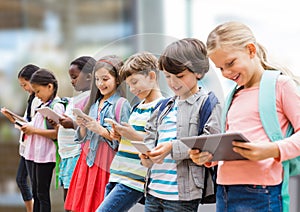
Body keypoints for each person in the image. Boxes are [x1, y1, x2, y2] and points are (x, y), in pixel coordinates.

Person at [189, 21, 300, 212]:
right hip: (224, 189)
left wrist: (272, 150)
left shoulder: (281, 85)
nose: (226, 73)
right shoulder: (234, 95)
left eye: (230, 63)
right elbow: (232, 144)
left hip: (262, 191)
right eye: (221, 68)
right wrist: (209, 157)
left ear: (250, 50)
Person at [139, 38, 222, 212]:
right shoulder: (163, 106)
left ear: (198, 72)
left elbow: (210, 142)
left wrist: (172, 147)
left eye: (179, 76)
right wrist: (147, 156)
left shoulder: (209, 104)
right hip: (153, 191)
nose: (172, 82)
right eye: (168, 76)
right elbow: (150, 137)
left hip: (182, 196)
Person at [96, 52, 164, 212]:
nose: (132, 89)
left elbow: (158, 145)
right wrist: (119, 136)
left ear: (152, 76)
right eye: (129, 85)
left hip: (133, 179)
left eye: (135, 82)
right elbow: (132, 141)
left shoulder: (161, 107)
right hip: (118, 174)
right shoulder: (137, 107)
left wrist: (131, 134)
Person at [64, 55, 131, 212]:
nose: (100, 84)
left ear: (118, 79)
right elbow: (82, 137)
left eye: (105, 79)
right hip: (87, 160)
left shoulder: (122, 104)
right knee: (83, 206)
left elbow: (126, 142)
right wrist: (82, 126)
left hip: (107, 162)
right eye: (97, 79)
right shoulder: (93, 104)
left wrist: (101, 130)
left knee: (102, 205)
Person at [20, 68, 65, 212]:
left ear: (50, 87)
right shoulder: (42, 105)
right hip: (35, 153)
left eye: (38, 91)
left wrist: (34, 131)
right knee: (36, 193)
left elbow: (58, 134)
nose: (37, 95)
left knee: (42, 194)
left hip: (45, 155)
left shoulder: (56, 106)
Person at [56, 56, 96, 207]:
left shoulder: (91, 99)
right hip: (67, 154)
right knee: (67, 199)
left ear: (89, 76)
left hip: (76, 154)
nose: (72, 81)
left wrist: (71, 123)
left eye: (74, 77)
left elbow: (89, 126)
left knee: (72, 202)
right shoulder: (77, 98)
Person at [1, 64, 41, 212]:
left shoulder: (39, 99)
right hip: (26, 146)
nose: (24, 88)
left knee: (29, 183)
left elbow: (34, 124)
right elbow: (27, 120)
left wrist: (16, 120)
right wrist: (12, 117)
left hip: (34, 147)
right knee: (22, 180)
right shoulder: (32, 98)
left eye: (25, 84)